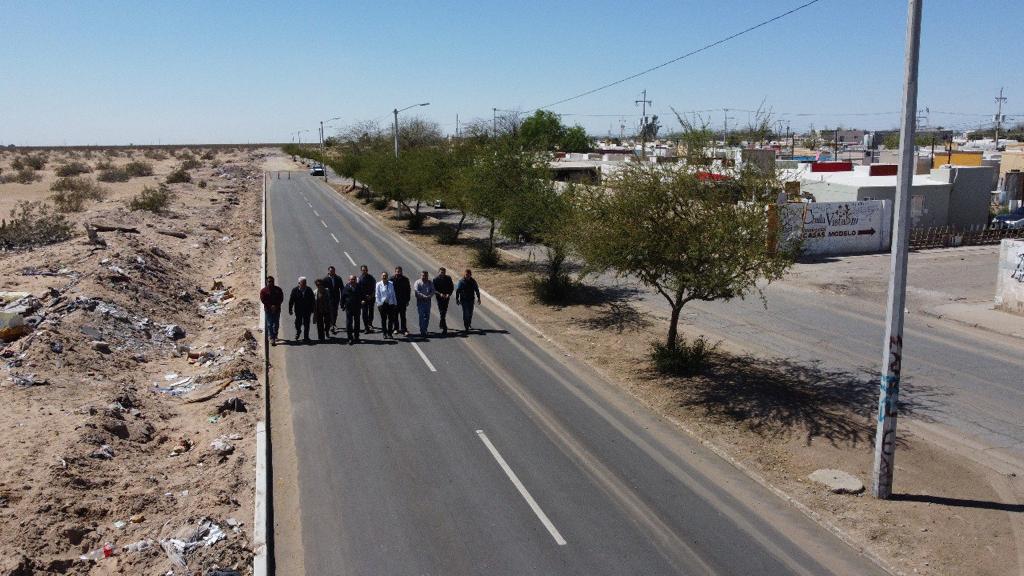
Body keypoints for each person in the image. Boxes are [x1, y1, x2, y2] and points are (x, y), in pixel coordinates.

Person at [288, 276, 315, 342]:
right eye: (303, 283)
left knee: (307, 324)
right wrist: (290, 309)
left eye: (305, 283)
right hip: (298, 310)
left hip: (307, 310)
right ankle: (298, 331)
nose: (304, 284)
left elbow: (313, 300)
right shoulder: (295, 290)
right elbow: (291, 300)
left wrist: (313, 309)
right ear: (299, 283)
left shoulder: (309, 290)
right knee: (298, 323)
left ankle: (306, 337)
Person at [259, 275, 284, 345]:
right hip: (268, 310)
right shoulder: (263, 291)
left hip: (277, 309)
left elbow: (281, 298)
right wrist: (270, 306)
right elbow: (263, 300)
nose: (270, 283)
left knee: (276, 324)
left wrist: (276, 306)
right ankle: (272, 337)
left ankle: (275, 335)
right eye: (269, 281)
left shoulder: (278, 290)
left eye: (272, 281)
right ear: (266, 282)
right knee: (269, 324)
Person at [455, 268, 481, 333]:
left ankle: (469, 323)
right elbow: (458, 291)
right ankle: (466, 326)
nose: (467, 276)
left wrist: (478, 298)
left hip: (471, 300)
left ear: (470, 275)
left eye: (469, 275)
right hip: (464, 300)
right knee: (466, 313)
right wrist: (457, 299)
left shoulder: (473, 281)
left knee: (470, 313)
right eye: (466, 275)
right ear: (464, 274)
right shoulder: (461, 282)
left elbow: (476, 290)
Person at [375, 271, 398, 339]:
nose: (384, 277)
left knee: (390, 319)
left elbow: (393, 294)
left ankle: (390, 333)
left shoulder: (391, 283)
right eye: (383, 276)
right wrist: (379, 304)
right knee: (384, 319)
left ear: (387, 277)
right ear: (381, 276)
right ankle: (384, 333)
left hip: (390, 304)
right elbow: (377, 295)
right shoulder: (378, 284)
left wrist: (395, 303)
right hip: (382, 304)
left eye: (385, 276)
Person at [432, 267, 454, 336]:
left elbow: (451, 287)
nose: (442, 273)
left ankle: (441, 323)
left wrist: (448, 294)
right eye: (441, 272)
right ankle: (445, 328)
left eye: (444, 272)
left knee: (444, 311)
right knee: (442, 311)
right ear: (438, 272)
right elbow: (434, 289)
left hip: (446, 298)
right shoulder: (435, 280)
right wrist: (440, 294)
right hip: (439, 298)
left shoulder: (448, 278)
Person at [340, 274, 362, 344]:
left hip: (357, 308)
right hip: (349, 308)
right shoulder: (346, 288)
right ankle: (350, 338)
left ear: (356, 280)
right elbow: (343, 297)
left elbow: (363, 295)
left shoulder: (359, 287)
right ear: (349, 280)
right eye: (351, 279)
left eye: (354, 279)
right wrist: (342, 305)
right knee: (349, 323)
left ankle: (356, 337)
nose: (352, 281)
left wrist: (363, 300)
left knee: (357, 323)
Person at [322, 266, 344, 334]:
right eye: (331, 271)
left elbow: (342, 288)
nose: (332, 272)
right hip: (328, 298)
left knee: (335, 311)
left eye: (333, 271)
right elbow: (322, 289)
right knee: (330, 311)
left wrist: (343, 297)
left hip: (336, 298)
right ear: (328, 271)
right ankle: (331, 324)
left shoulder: (338, 278)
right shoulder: (325, 279)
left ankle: (333, 323)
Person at [413, 270, 435, 337]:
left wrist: (430, 296)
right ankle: (422, 331)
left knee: (427, 316)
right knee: (421, 316)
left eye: (425, 276)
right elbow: (416, 291)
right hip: (420, 301)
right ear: (421, 275)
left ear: (427, 276)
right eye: (423, 275)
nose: (424, 277)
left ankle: (425, 329)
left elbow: (433, 290)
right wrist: (423, 296)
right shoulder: (417, 282)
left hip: (428, 302)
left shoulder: (430, 283)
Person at [392, 266, 411, 335]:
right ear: (395, 272)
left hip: (402, 301)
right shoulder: (391, 279)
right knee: (395, 316)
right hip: (394, 301)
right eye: (397, 271)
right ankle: (396, 329)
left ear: (401, 272)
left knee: (403, 316)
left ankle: (404, 329)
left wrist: (407, 300)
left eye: (399, 271)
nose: (398, 273)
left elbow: (408, 290)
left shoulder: (405, 279)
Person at [357, 265, 376, 333]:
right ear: (361, 271)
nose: (364, 271)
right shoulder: (359, 279)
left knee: (371, 311)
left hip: (371, 298)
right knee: (364, 312)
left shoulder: (371, 278)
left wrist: (371, 296)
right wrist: (363, 297)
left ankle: (370, 324)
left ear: (367, 270)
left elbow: (374, 288)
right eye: (363, 270)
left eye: (365, 270)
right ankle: (366, 327)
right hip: (363, 299)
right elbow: (358, 290)